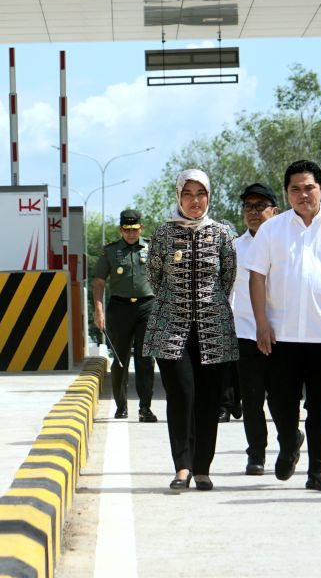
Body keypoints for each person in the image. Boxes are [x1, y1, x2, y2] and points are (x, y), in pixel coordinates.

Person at [247, 159, 321, 492]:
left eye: (309, 187)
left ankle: (319, 470)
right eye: (295, 189)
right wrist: (261, 323)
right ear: (287, 194)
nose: (303, 195)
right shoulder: (272, 230)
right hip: (281, 334)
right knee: (281, 403)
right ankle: (289, 442)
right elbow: (256, 278)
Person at [144, 169, 238, 491]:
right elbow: (155, 276)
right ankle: (182, 466)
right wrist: (179, 302)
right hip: (171, 325)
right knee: (182, 394)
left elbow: (227, 277)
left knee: (209, 400)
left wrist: (206, 306)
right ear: (178, 196)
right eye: (188, 194)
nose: (195, 201)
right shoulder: (163, 234)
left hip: (213, 326)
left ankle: (202, 468)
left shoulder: (222, 234)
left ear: (209, 197)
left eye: (201, 194)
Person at [229, 182, 280, 475]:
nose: (254, 212)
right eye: (249, 206)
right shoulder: (235, 248)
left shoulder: (285, 243)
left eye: (260, 206)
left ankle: (288, 436)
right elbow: (227, 292)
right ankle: (256, 454)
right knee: (251, 398)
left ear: (275, 210)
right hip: (247, 333)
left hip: (282, 334)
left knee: (281, 398)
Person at [92, 209, 157, 422]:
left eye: (135, 229)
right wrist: (98, 310)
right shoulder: (110, 251)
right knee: (120, 359)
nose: (131, 233)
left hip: (147, 307)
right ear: (121, 229)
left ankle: (145, 408)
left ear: (141, 228)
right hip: (119, 309)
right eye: (127, 230)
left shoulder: (152, 247)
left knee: (145, 359)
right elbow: (99, 282)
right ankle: (121, 406)